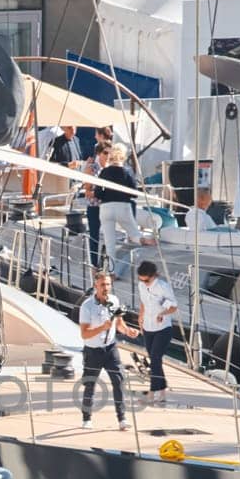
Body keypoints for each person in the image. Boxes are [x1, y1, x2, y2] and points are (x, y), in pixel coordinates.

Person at [78, 269, 139, 431]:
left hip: (111, 348)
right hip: (93, 350)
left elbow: (119, 323)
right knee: (90, 384)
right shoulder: (87, 307)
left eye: (108, 284)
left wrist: (128, 331)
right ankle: (87, 418)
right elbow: (84, 333)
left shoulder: (114, 300)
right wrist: (101, 327)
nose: (106, 287)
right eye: (103, 284)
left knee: (119, 381)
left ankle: (122, 418)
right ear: (95, 286)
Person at [136, 259, 178, 403]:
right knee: (155, 361)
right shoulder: (141, 285)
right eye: (141, 280)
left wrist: (162, 314)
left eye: (147, 280)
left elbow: (173, 307)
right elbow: (143, 301)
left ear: (154, 276)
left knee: (154, 359)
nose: (144, 282)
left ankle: (152, 394)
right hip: (148, 327)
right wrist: (140, 317)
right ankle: (162, 391)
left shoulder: (162, 287)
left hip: (162, 328)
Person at [95, 144, 142, 268]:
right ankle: (141, 263)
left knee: (109, 243)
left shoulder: (104, 171)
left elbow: (97, 193)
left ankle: (112, 271)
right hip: (123, 207)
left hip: (106, 208)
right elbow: (134, 193)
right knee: (135, 236)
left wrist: (107, 195)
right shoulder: (127, 171)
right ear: (124, 156)